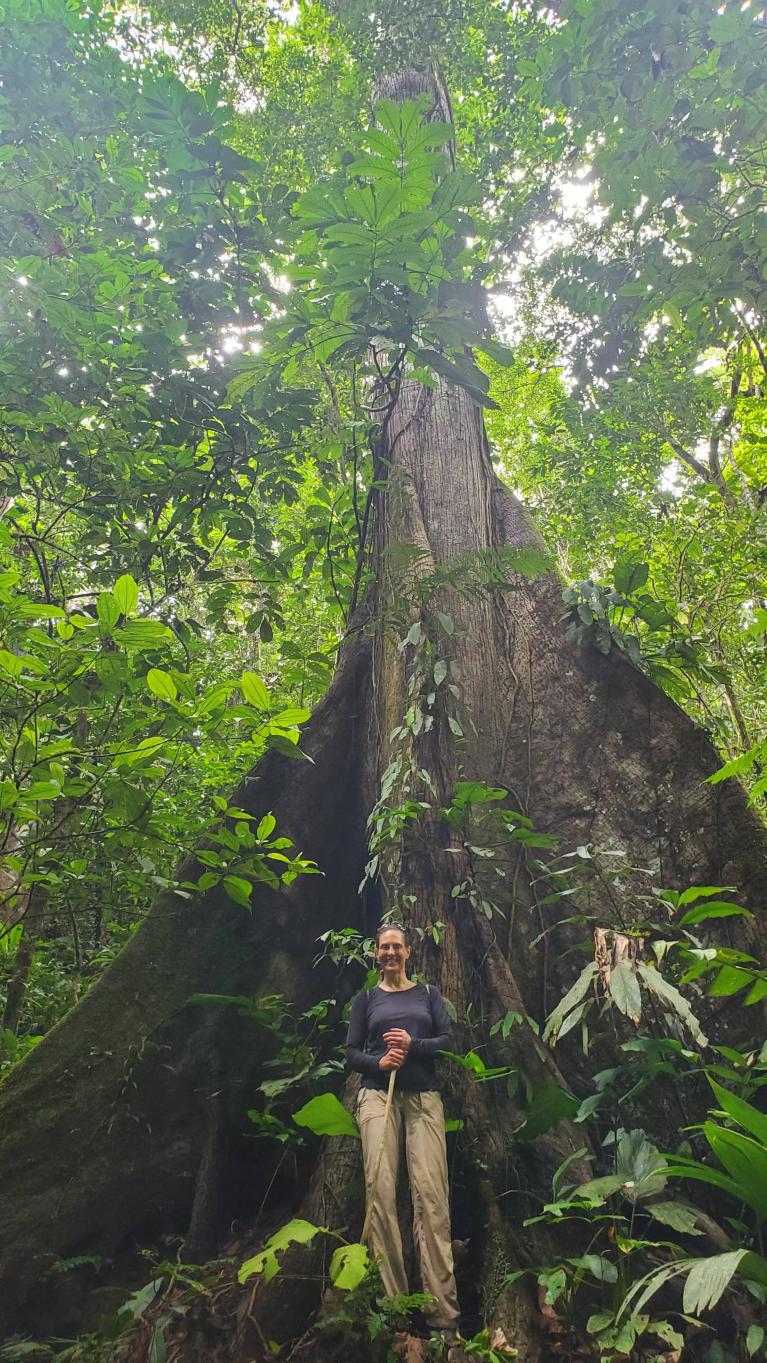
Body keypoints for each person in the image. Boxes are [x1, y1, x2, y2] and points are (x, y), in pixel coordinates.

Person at [345, 921, 460, 1335]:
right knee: (380, 1193)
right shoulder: (366, 999)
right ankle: (394, 1310)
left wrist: (414, 1046)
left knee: (431, 1197)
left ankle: (442, 1314)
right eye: (384, 948)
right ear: (377, 954)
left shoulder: (428, 994)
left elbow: (447, 1040)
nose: (390, 953)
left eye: (397, 946)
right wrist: (380, 1062)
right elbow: (351, 1053)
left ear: (408, 952)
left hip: (423, 1099)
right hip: (378, 1097)